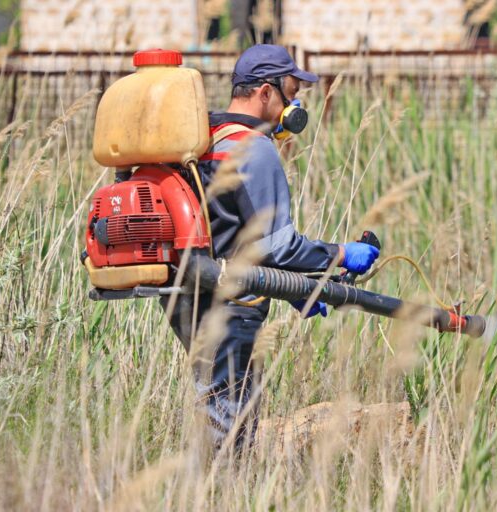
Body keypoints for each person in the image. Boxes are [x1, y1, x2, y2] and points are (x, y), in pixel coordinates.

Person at [160, 44, 380, 450]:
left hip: (186, 294)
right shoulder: (254, 147)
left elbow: (235, 233)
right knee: (230, 421)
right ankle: (222, 494)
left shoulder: (205, 136)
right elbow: (279, 246)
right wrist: (344, 254)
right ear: (265, 92)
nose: (294, 104)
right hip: (231, 304)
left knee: (216, 403)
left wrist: (295, 288)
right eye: (290, 93)